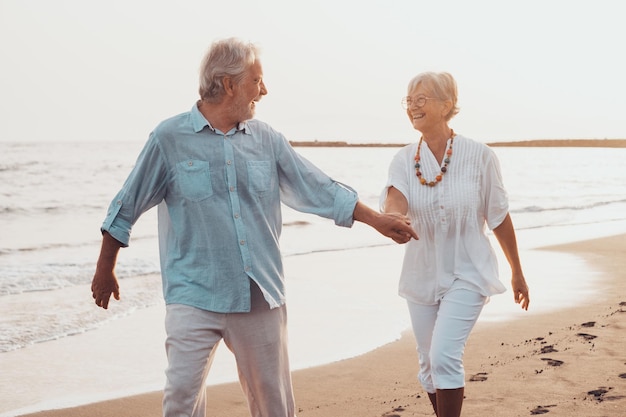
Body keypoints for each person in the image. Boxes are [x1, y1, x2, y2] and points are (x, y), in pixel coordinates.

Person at [91, 37, 417, 417]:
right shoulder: (169, 139)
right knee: (180, 401)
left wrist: (376, 219)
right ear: (228, 84)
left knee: (273, 405)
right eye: (257, 80)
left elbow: (317, 186)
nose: (264, 90)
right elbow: (126, 203)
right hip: (193, 294)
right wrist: (104, 268)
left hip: (259, 292)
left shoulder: (267, 140)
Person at [380, 71, 530, 417]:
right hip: (421, 274)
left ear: (447, 105)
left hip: (469, 270)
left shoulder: (480, 156)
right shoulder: (404, 159)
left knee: (444, 354)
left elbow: (499, 218)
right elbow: (395, 197)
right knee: (428, 363)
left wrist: (517, 272)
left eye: (422, 99)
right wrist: (395, 218)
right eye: (409, 100)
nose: (413, 107)